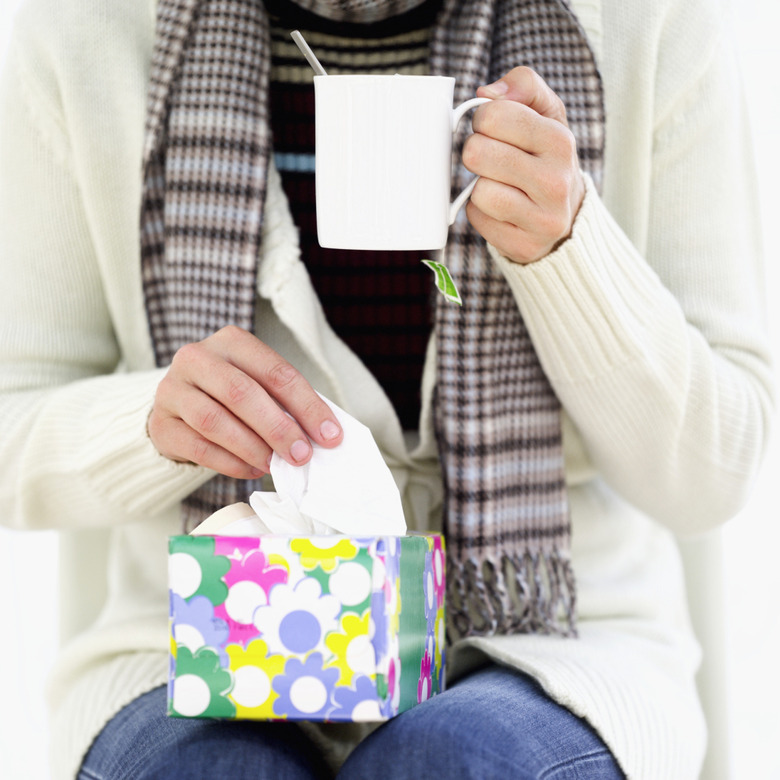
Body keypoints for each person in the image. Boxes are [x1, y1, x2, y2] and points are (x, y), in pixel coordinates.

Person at [0, 0, 772, 778]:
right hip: (202, 641)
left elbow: (716, 473)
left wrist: (570, 251)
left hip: (555, 643)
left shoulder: (653, 21)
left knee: (451, 763)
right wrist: (153, 423)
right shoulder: (83, 26)